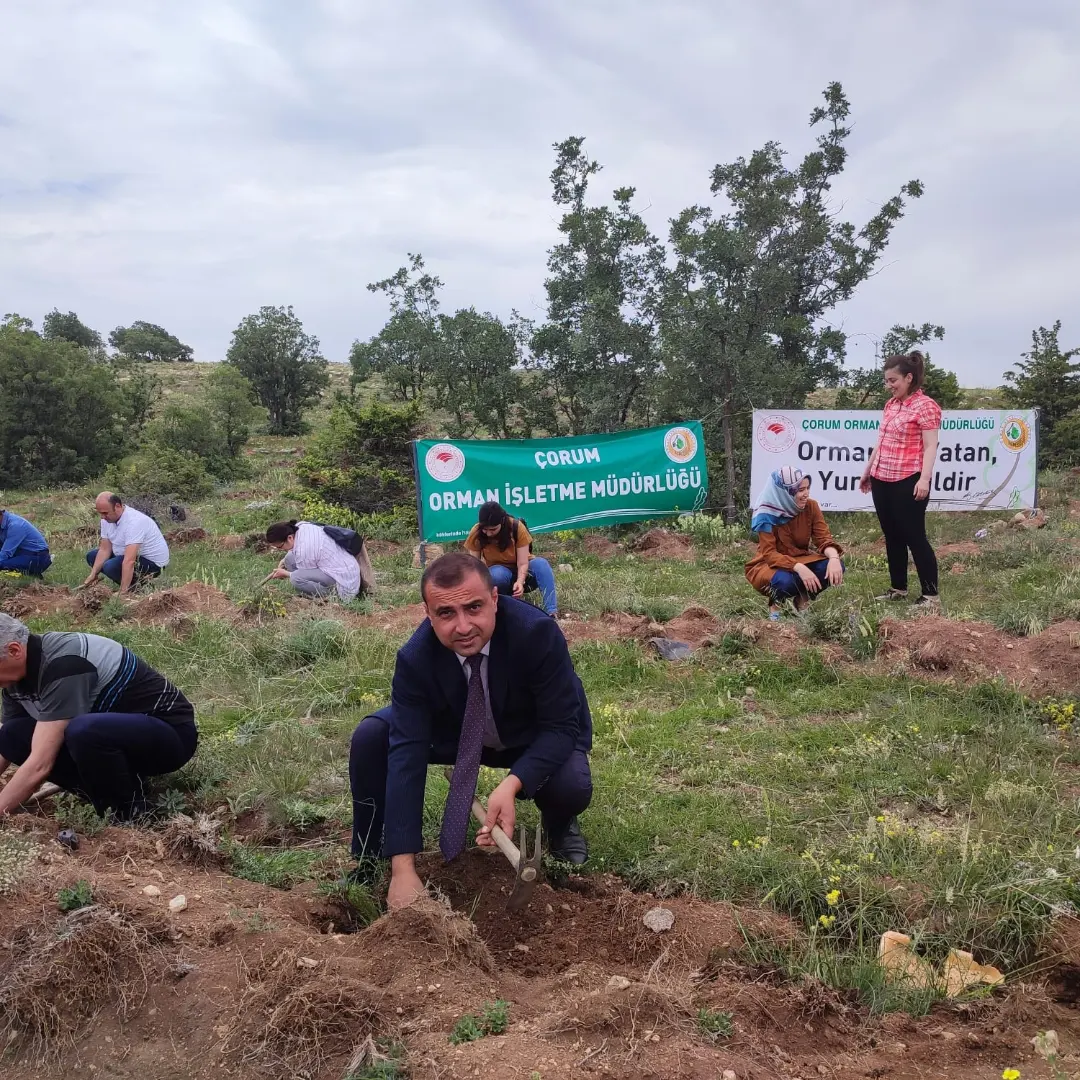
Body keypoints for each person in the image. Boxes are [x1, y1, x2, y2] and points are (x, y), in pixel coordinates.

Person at [349, 552, 592, 910]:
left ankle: (559, 825)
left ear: (495, 599)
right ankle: (370, 854)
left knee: (571, 784)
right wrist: (404, 868)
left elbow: (560, 726)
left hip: (528, 733)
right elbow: (407, 752)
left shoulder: (536, 634)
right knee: (373, 736)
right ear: (428, 615)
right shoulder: (415, 658)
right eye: (446, 613)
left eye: (474, 607)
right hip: (457, 733)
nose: (462, 627)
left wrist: (512, 784)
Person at [0, 613, 197, 819]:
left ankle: (128, 812)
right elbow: (5, 745)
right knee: (11, 735)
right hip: (117, 741)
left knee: (84, 730)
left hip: (171, 737)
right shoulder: (14, 680)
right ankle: (114, 790)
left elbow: (40, 765)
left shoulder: (63, 665)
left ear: (14, 650)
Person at [858, 350, 942, 608]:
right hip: (882, 478)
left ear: (908, 378)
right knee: (891, 535)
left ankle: (930, 595)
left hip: (908, 478)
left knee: (914, 536)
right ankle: (898, 588)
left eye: (893, 380)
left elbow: (931, 446)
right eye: (886, 381)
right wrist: (868, 469)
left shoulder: (926, 406)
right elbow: (881, 441)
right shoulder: (891, 405)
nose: (889, 386)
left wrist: (924, 479)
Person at [746, 467, 844, 618]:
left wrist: (834, 558)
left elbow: (823, 539)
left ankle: (802, 598)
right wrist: (798, 568)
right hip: (770, 565)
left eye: (807, 488)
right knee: (783, 582)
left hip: (801, 558)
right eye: (800, 490)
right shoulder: (767, 513)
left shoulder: (811, 506)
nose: (806, 494)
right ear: (785, 493)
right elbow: (770, 555)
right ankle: (775, 606)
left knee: (834, 567)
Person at [463, 501, 558, 616]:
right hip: (499, 574)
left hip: (524, 570)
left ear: (502, 522)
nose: (488, 533)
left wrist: (520, 581)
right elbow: (475, 566)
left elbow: (523, 563)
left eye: (493, 529)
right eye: (485, 529)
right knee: (497, 574)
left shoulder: (517, 527)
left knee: (541, 564)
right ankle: (503, 607)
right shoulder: (476, 532)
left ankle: (551, 610)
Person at [84, 492, 170, 593]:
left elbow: (129, 561)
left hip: (153, 563)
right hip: (128, 555)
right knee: (92, 556)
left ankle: (134, 588)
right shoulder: (106, 520)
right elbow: (104, 549)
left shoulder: (134, 522)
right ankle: (133, 585)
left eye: (105, 513)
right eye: (100, 513)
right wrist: (93, 574)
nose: (102, 517)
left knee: (110, 566)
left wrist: (122, 592)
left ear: (117, 506)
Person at [264, 520, 361, 601]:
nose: (281, 550)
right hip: (342, 565)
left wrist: (285, 573)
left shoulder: (305, 550)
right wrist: (283, 560)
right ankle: (311, 590)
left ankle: (332, 596)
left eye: (280, 547)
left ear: (289, 537)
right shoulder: (301, 526)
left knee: (296, 579)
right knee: (288, 558)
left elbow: (300, 573)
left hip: (343, 580)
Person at [0, 509, 52, 577]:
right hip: (20, 553)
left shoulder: (15, 525)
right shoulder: (3, 523)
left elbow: (5, 553)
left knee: (2, 565)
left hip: (37, 557)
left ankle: (33, 575)